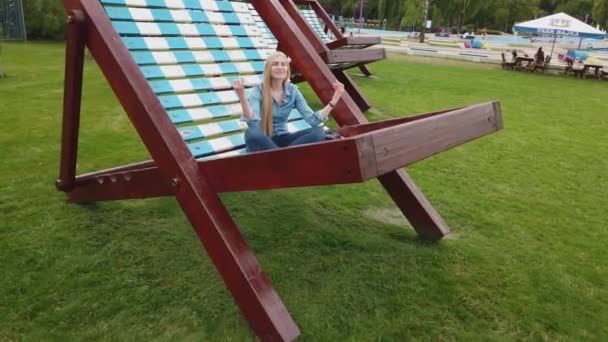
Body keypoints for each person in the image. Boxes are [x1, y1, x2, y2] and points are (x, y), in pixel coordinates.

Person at [233, 51, 345, 152]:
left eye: (283, 64)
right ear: (268, 69)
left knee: (318, 132)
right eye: (275, 64)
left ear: (287, 69)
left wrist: (334, 100)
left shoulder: (292, 90)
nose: (280, 67)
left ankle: (280, 159)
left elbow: (313, 120)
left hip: (283, 139)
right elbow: (253, 123)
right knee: (252, 133)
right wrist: (242, 96)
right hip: (263, 139)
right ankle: (286, 158)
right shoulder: (258, 89)